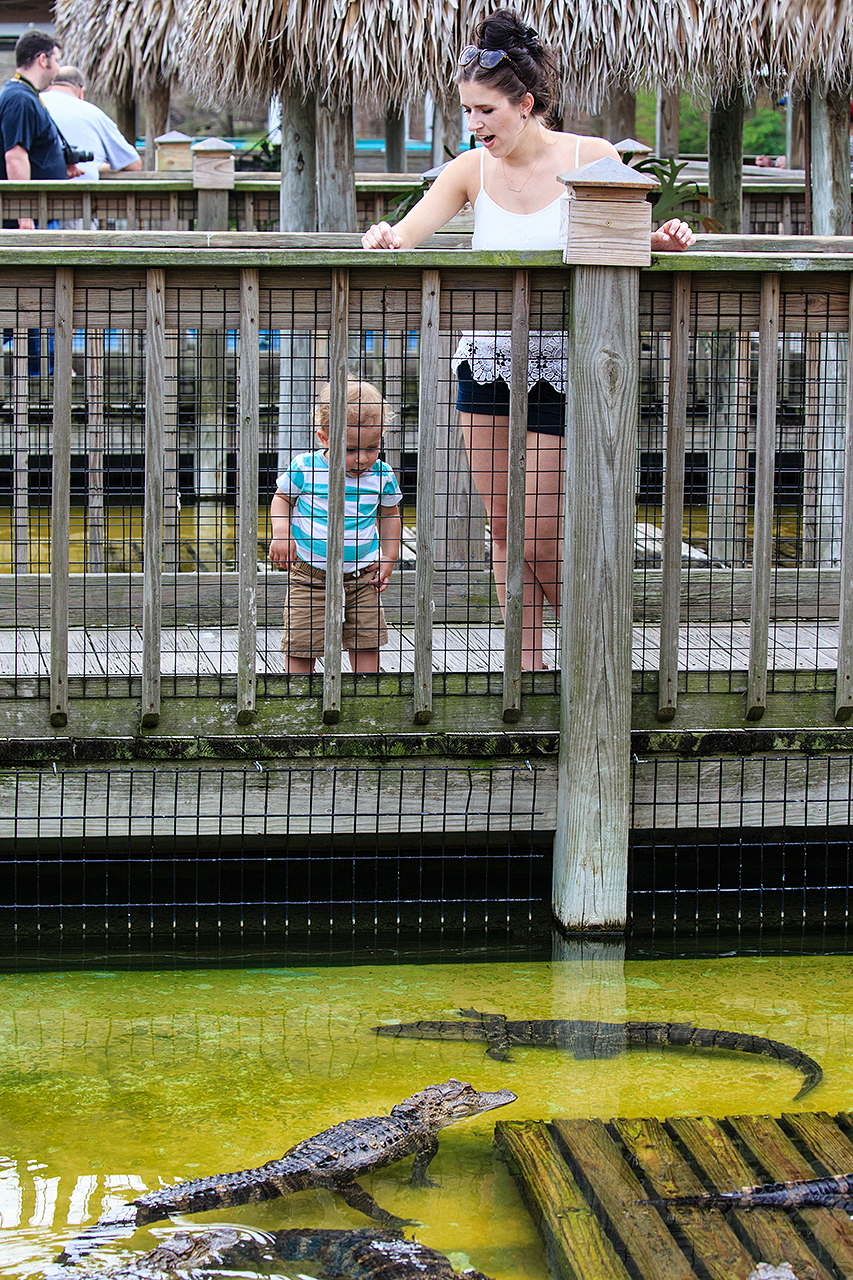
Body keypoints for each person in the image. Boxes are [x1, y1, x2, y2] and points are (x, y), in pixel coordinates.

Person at [362, 9, 695, 670]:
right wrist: (386, 238)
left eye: (485, 110)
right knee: (506, 530)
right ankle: (527, 665)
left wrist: (662, 240)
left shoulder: (591, 157)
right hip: (485, 367)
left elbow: (629, 235)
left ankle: (591, 656)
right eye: (466, 111)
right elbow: (410, 230)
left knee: (543, 535)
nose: (475, 124)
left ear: (525, 103)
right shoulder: (465, 170)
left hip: (566, 367)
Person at [269, 379, 403, 674]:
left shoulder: (381, 474)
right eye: (351, 449)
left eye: (373, 447)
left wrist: (389, 556)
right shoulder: (305, 467)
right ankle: (298, 700)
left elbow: (390, 514)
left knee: (367, 640)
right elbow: (281, 499)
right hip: (310, 572)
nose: (363, 458)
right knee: (302, 643)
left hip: (362, 573)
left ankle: (367, 698)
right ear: (325, 438)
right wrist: (282, 534)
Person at [0, 30, 82, 229]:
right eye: (56, 61)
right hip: (29, 218)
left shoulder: (26, 94)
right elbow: (15, 157)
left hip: (42, 211)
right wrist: (24, 214)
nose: (57, 69)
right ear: (43, 60)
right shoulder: (20, 99)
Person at [41, 66, 141, 182]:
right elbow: (133, 164)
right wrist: (98, 165)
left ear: (48, 87)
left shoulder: (33, 105)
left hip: (35, 192)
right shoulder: (93, 113)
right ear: (81, 91)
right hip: (82, 194)